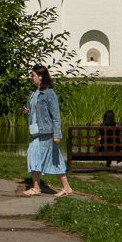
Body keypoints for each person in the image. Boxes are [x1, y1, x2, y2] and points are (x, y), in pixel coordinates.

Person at [20, 65, 73, 198]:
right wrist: (28, 112)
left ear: (40, 76)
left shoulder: (49, 93)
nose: (31, 78)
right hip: (35, 132)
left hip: (46, 132)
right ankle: (37, 187)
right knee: (34, 156)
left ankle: (66, 187)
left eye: (33, 75)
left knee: (53, 158)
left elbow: (55, 115)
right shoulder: (33, 94)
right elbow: (36, 112)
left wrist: (57, 135)